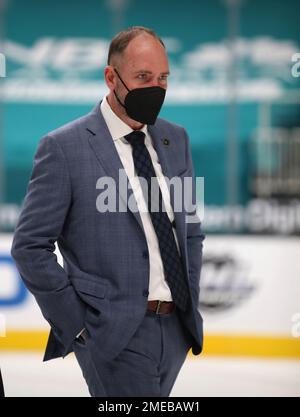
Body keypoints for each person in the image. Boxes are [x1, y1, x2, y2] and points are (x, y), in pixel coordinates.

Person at [11, 26, 205, 397]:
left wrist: (187, 299)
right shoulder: (64, 148)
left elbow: (189, 231)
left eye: (163, 78)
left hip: (176, 330)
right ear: (111, 77)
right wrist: (79, 325)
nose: (156, 88)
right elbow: (30, 247)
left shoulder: (174, 138)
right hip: (114, 334)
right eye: (143, 77)